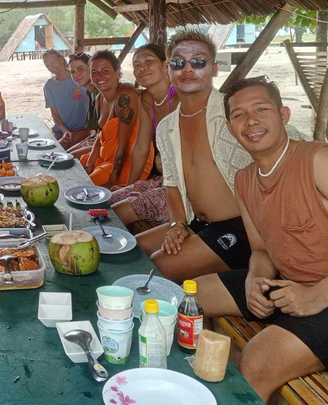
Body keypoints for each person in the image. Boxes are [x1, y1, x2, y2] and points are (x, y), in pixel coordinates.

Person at [195, 77, 328, 400]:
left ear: (283, 115)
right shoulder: (245, 179)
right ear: (230, 128)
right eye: (239, 115)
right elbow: (260, 249)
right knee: (186, 298)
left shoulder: (321, 161)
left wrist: (318, 296)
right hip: (288, 286)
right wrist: (255, 279)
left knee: (257, 362)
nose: (251, 121)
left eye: (261, 109)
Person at [135, 30, 253, 282]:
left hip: (242, 226)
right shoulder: (167, 126)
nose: (187, 69)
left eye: (198, 61)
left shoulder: (234, 112)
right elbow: (172, 184)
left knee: (159, 266)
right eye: (178, 62)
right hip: (196, 221)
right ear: (169, 69)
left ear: (214, 68)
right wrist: (177, 224)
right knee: (134, 250)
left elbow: (286, 142)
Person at [109, 44, 176, 226]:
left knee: (113, 215)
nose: (141, 68)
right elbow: (141, 146)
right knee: (108, 201)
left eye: (148, 61)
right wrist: (131, 186)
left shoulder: (181, 98)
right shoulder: (147, 99)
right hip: (164, 179)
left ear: (165, 65)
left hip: (183, 187)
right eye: (136, 65)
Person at [81, 50, 154, 188]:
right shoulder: (99, 99)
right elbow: (100, 136)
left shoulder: (125, 97)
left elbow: (123, 144)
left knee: (87, 185)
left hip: (128, 162)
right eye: (94, 72)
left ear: (117, 72)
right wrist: (90, 163)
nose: (99, 76)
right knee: (78, 167)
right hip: (107, 158)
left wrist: (112, 181)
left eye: (105, 71)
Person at [42, 49, 89, 149]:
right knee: (46, 150)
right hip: (60, 132)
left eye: (53, 62)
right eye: (48, 65)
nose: (52, 67)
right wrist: (65, 131)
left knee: (57, 152)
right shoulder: (49, 86)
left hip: (82, 131)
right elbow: (54, 114)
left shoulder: (79, 79)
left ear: (62, 59)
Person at [65, 52, 100, 158]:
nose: (76, 75)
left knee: (67, 158)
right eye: (72, 72)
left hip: (104, 144)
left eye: (80, 69)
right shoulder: (90, 93)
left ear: (91, 68)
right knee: (63, 155)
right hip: (94, 139)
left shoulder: (101, 93)